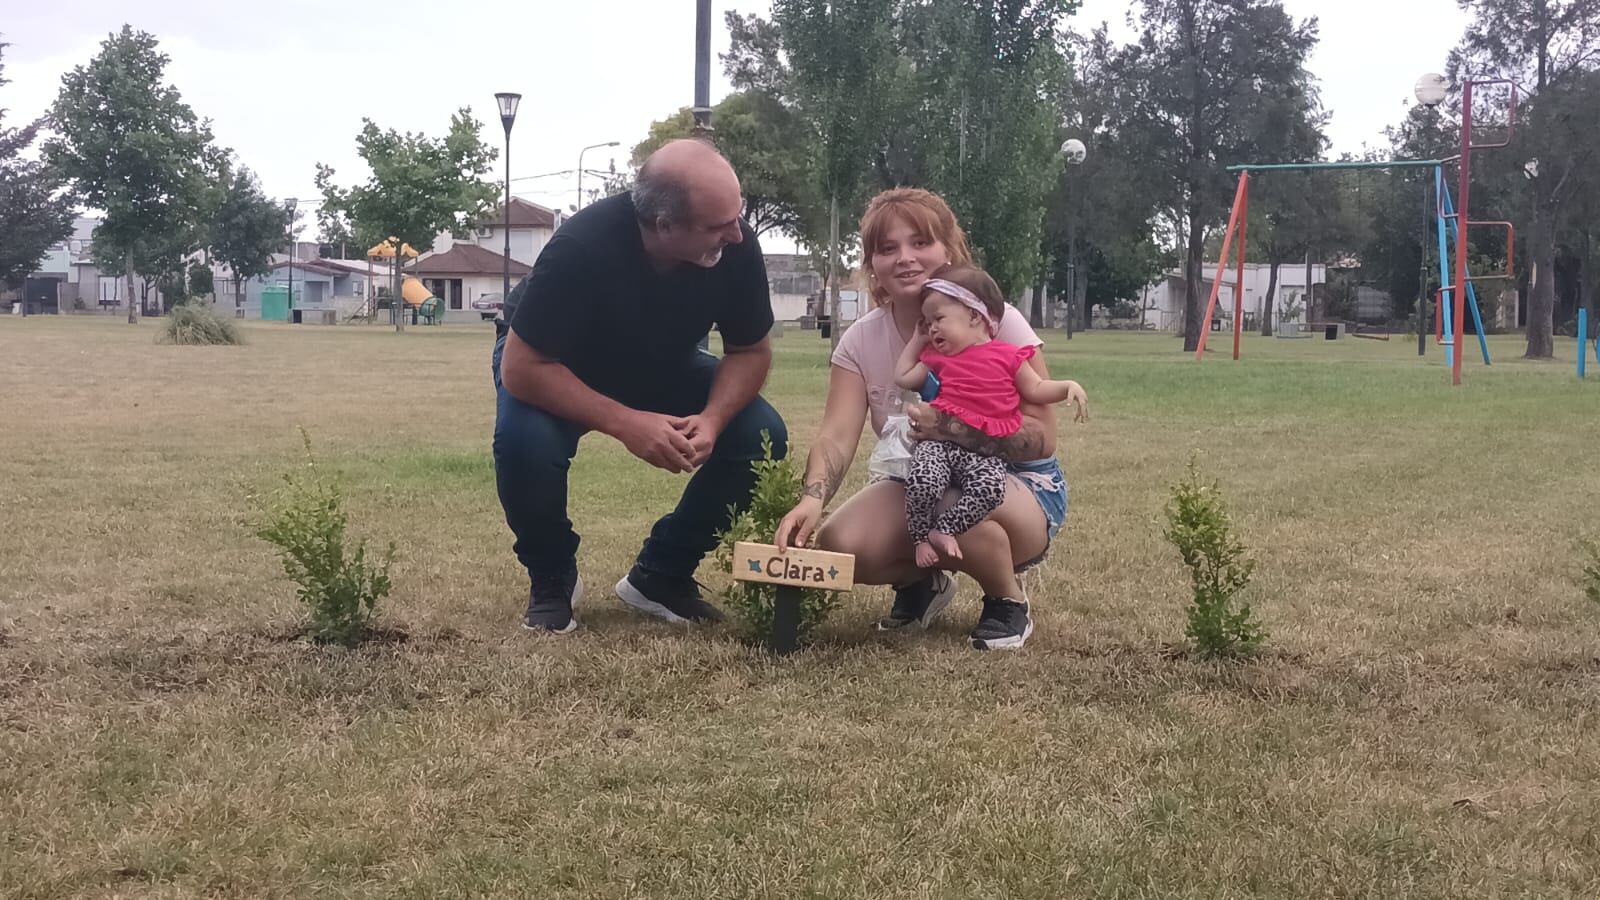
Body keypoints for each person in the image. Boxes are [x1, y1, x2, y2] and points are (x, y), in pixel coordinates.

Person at [492, 139, 786, 634]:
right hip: (556, 366)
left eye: (736, 218)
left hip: (663, 362)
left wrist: (713, 419)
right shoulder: (582, 248)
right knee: (526, 443)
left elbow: (751, 351)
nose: (737, 234)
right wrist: (626, 423)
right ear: (664, 226)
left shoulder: (734, 245)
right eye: (718, 226)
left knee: (760, 433)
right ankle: (551, 575)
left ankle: (662, 574)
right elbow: (522, 367)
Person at [774, 188, 1069, 651]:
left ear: (948, 250)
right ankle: (923, 584)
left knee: (936, 490)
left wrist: (950, 429)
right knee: (842, 542)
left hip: (1018, 490)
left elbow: (1043, 438)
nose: (905, 259)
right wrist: (813, 497)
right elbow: (835, 436)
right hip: (923, 480)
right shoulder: (860, 341)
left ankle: (1007, 600)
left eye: (920, 243)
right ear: (872, 264)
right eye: (887, 249)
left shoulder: (991, 320)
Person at [893, 266, 1087, 573]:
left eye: (938, 319)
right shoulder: (937, 357)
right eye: (927, 323)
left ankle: (944, 529)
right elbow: (903, 376)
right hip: (939, 445)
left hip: (981, 451)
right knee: (923, 481)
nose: (931, 329)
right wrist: (917, 341)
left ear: (974, 316)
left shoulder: (1008, 356)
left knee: (989, 490)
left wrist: (1067, 387)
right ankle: (920, 540)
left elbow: (1036, 388)